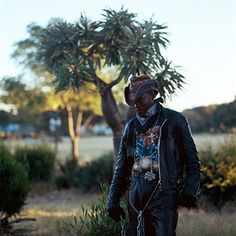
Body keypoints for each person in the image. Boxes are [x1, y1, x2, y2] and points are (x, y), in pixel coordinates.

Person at [106, 75, 201, 236]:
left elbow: (193, 161)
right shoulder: (130, 127)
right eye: (133, 100)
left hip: (164, 197)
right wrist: (112, 201)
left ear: (152, 94)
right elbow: (121, 167)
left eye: (140, 98)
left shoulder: (175, 120)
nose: (136, 104)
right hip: (135, 200)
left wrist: (190, 191)